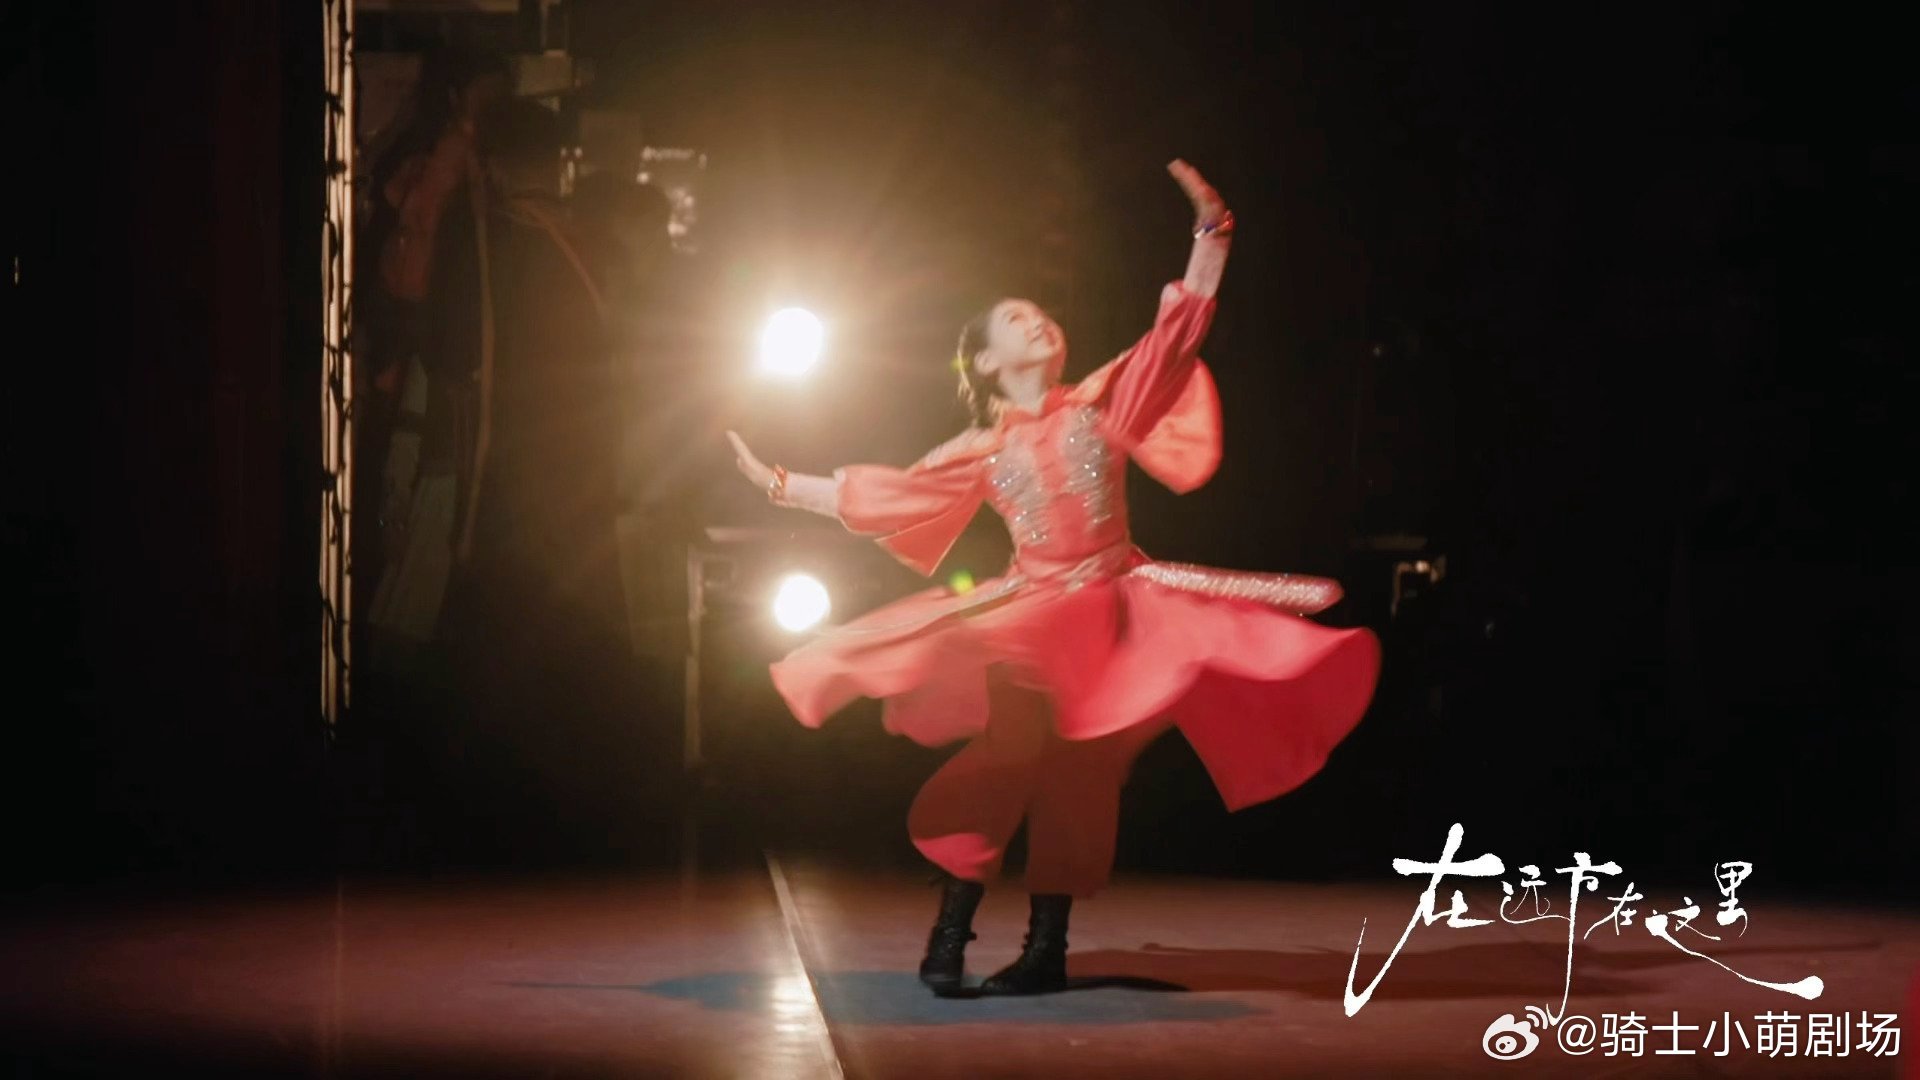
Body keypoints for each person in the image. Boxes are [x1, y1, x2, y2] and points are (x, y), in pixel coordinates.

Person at [725, 160, 1382, 996]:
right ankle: (952, 930)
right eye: (1015, 319)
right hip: (1034, 615)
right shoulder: (981, 449)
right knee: (1008, 756)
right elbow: (887, 495)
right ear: (986, 362)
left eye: (1039, 311)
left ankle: (1047, 950)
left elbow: (1177, 334)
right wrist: (782, 486)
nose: (1036, 319)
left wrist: (1212, 234)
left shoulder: (1103, 402)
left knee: (1081, 774)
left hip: (1115, 613)